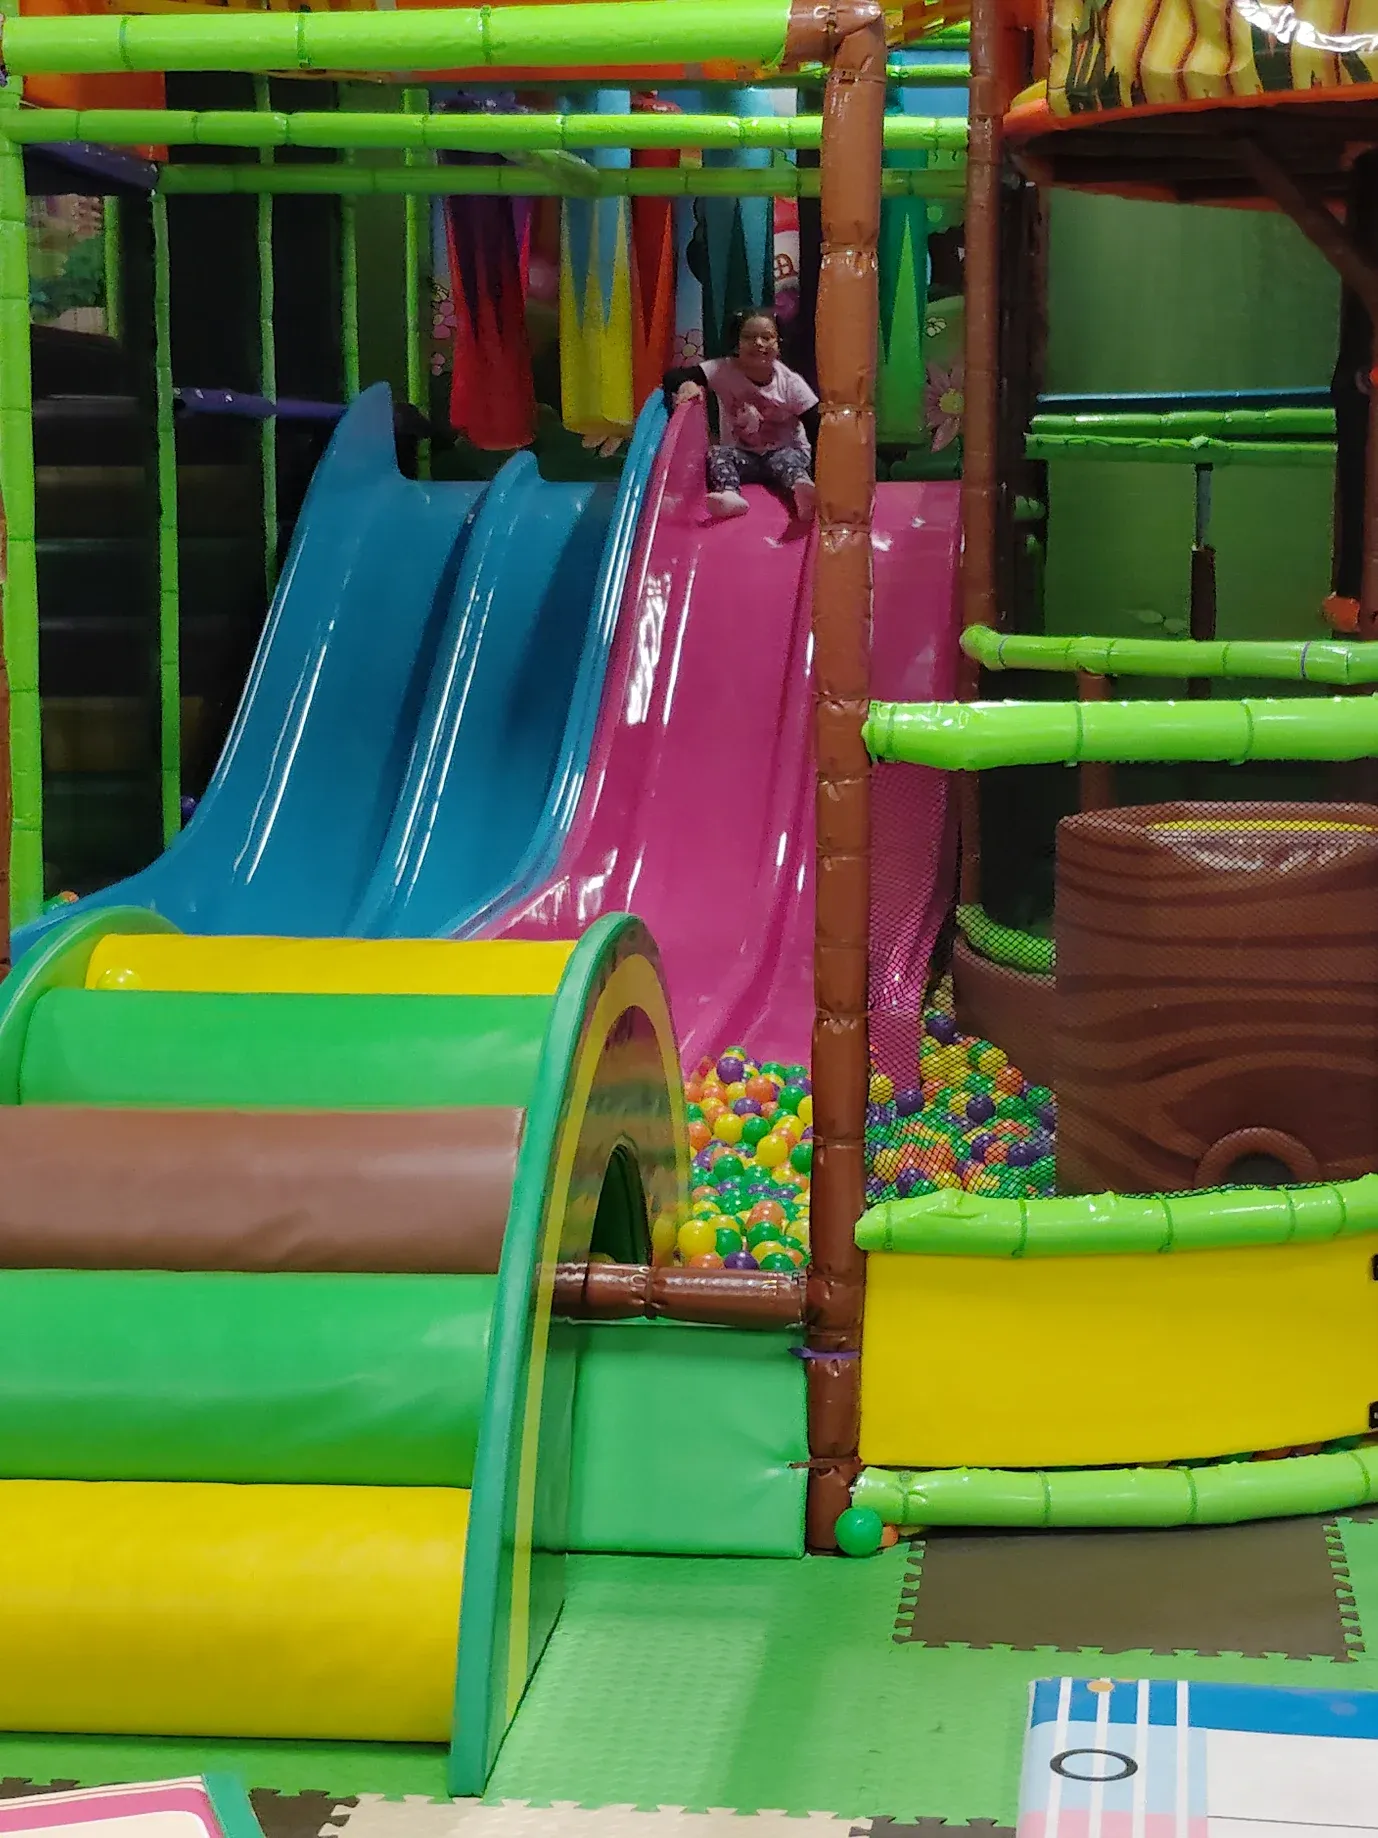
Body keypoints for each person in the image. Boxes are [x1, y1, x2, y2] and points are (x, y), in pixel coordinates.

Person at [663, 309, 820, 522]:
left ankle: (803, 491)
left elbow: (816, 425)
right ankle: (730, 494)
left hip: (784, 452)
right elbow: (673, 375)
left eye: (767, 337)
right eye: (748, 337)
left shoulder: (790, 383)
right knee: (718, 453)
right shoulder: (722, 369)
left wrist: (822, 475)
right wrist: (686, 383)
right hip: (745, 457)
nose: (758, 343)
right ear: (737, 342)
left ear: (778, 343)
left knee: (788, 459)